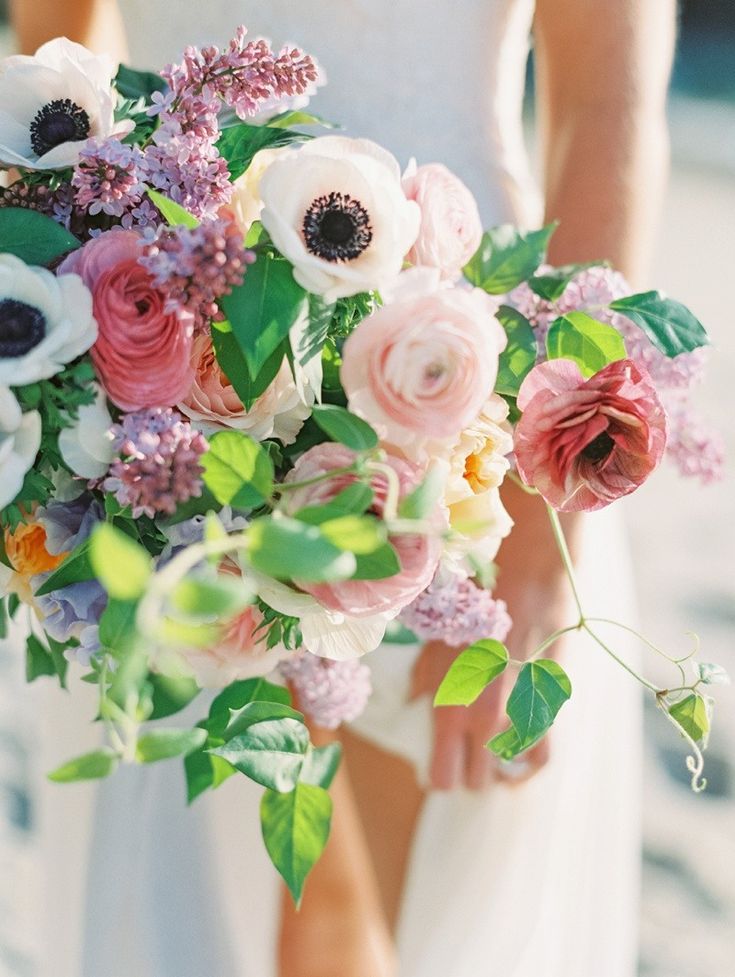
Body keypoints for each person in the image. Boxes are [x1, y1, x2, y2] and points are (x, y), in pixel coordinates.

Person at [6, 2, 676, 976]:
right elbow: (55, 79)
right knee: (188, 917)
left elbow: (605, 111)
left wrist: (540, 538)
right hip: (152, 423)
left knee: (409, 931)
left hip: (463, 420)